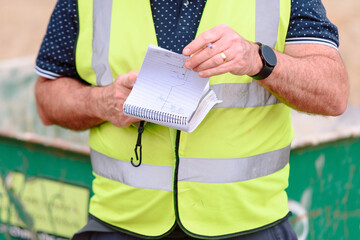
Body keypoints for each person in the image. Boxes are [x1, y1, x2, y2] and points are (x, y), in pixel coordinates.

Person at [34, 0, 348, 239]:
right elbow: (47, 100)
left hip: (249, 225)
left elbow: (333, 91)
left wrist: (258, 59)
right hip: (120, 222)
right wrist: (100, 102)